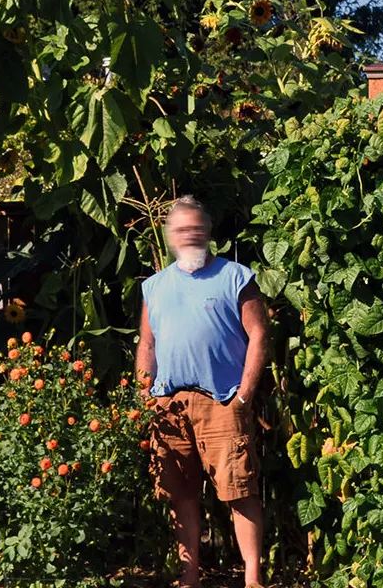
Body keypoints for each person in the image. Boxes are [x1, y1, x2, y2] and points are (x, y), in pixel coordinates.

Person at [136, 195, 269, 588]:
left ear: (208, 233)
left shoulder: (235, 277)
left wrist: (244, 394)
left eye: (197, 228)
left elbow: (259, 334)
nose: (190, 235)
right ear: (169, 237)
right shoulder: (154, 287)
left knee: (239, 491)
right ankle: (189, 576)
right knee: (181, 495)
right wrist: (146, 397)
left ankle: (252, 579)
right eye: (182, 230)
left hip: (222, 401)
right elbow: (147, 344)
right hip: (169, 406)